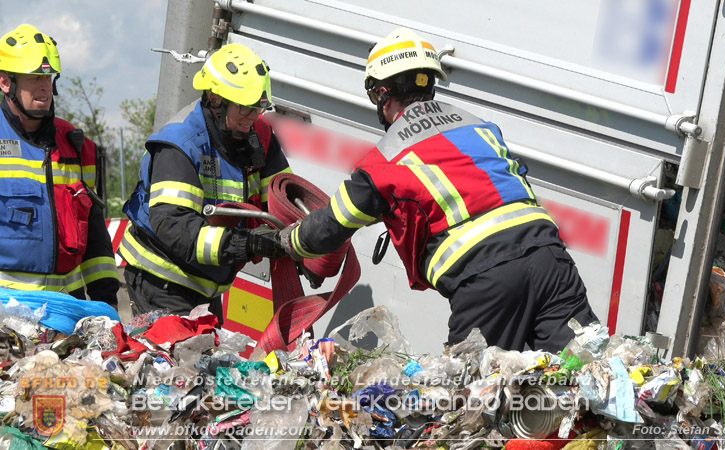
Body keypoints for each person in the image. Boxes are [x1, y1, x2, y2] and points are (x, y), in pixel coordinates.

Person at [277, 29, 598, 352]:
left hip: (487, 278)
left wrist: (285, 240)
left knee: (471, 395)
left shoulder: (384, 160)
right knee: (583, 375)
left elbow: (329, 228)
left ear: (383, 94)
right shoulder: (478, 125)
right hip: (550, 257)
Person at [120, 43, 290, 322]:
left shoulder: (258, 138)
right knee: (178, 365)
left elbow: (285, 197)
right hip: (163, 282)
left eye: (257, 108)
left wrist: (307, 239)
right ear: (215, 99)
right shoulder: (180, 145)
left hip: (207, 287)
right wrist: (248, 244)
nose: (253, 117)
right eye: (245, 108)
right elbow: (174, 227)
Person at [0, 24, 119, 306]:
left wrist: (106, 302)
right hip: (7, 310)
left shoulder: (77, 145)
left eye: (48, 77)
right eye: (33, 77)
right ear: (5, 82)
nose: (44, 87)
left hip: (66, 308)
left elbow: (95, 234)